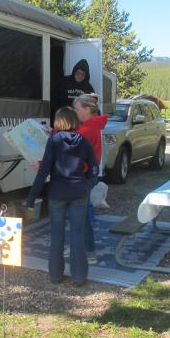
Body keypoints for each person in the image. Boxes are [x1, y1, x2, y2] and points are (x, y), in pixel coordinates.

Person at [25, 106, 98, 286]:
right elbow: (95, 169)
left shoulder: (54, 141)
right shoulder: (83, 140)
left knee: (57, 236)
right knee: (77, 235)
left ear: (58, 122)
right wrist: (85, 184)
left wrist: (31, 198)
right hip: (79, 192)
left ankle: (56, 276)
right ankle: (79, 277)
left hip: (57, 193)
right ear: (75, 121)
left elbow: (44, 171)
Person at [73, 94, 108, 264]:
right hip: (89, 174)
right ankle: (79, 246)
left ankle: (89, 251)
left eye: (77, 109)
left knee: (81, 215)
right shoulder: (90, 125)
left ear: (87, 109)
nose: (75, 112)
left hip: (83, 176)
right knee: (77, 213)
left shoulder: (87, 129)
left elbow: (69, 148)